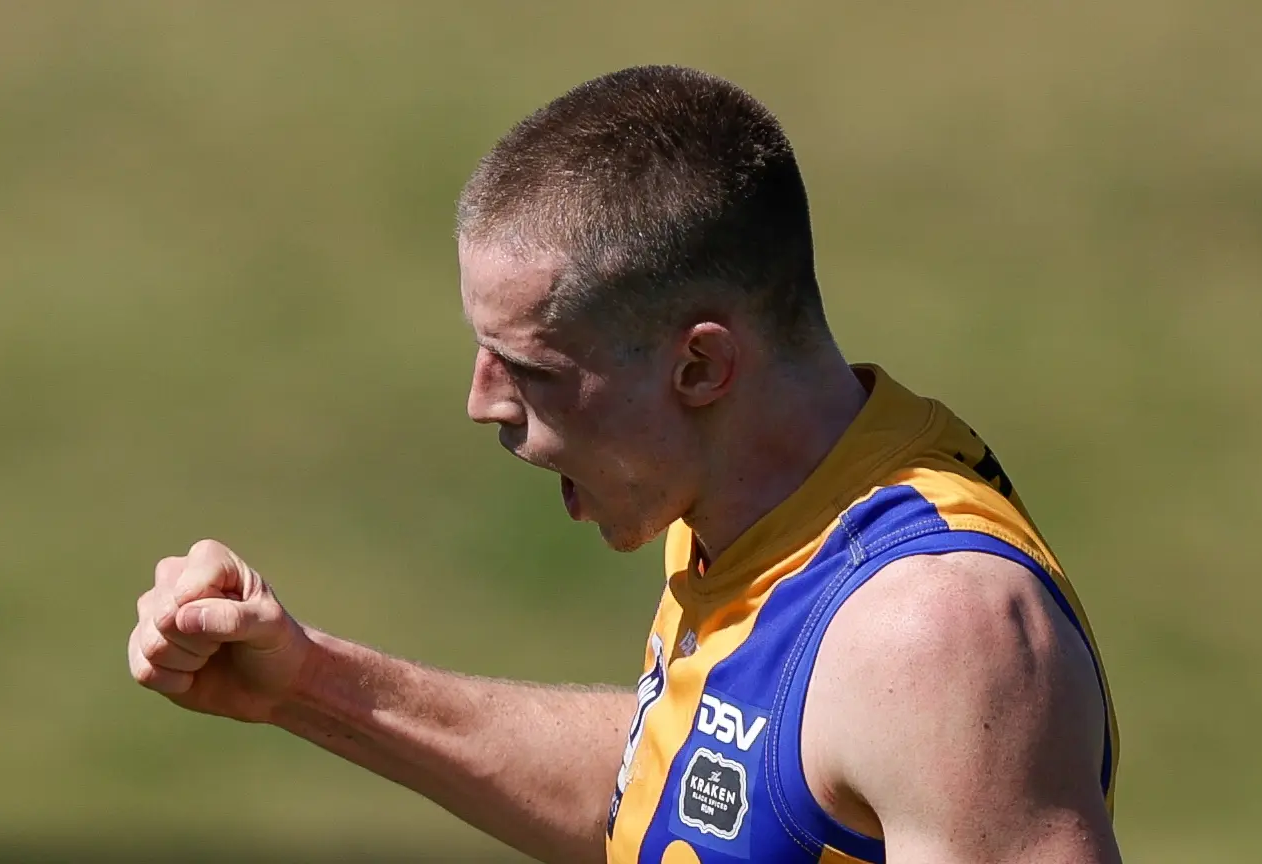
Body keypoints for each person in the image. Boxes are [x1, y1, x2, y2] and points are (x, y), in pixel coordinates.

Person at [127, 65, 1122, 864]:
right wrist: (307, 685)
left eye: (531, 369)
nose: (481, 402)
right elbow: (700, 789)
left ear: (700, 366)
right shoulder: (746, 503)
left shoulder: (937, 638)